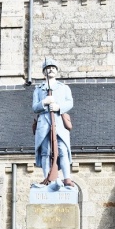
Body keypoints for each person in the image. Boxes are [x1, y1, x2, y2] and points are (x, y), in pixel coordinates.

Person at [32, 58, 75, 187]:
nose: (50, 70)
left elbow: (70, 102)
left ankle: (67, 178)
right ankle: (47, 179)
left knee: (62, 150)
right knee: (45, 152)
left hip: (59, 123)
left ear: (56, 71)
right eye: (48, 68)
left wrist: (58, 107)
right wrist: (44, 102)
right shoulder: (38, 90)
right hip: (44, 123)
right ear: (44, 72)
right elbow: (34, 107)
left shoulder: (64, 88)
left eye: (53, 68)